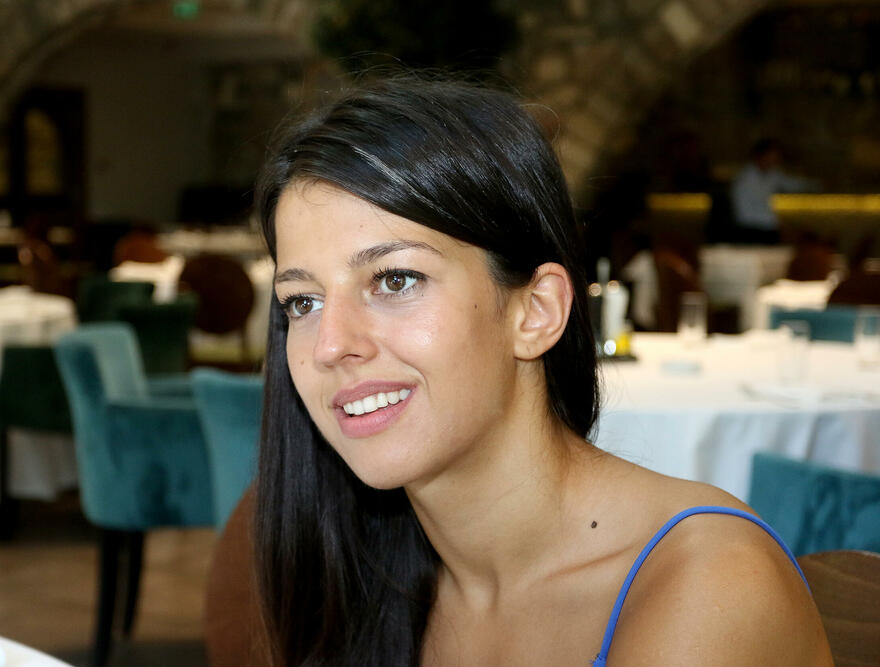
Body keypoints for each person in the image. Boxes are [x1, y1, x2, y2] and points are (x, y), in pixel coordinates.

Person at [251, 75, 832, 665]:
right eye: (303, 301)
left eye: (396, 280)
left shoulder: (707, 587)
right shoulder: (351, 581)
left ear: (537, 311)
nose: (331, 345)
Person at [729, 138, 817, 244]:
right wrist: (779, 225)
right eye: (772, 157)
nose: (775, 161)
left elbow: (791, 183)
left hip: (767, 230)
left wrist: (816, 184)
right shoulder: (744, 180)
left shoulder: (772, 174)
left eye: (776, 158)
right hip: (750, 233)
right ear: (759, 156)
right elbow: (745, 216)